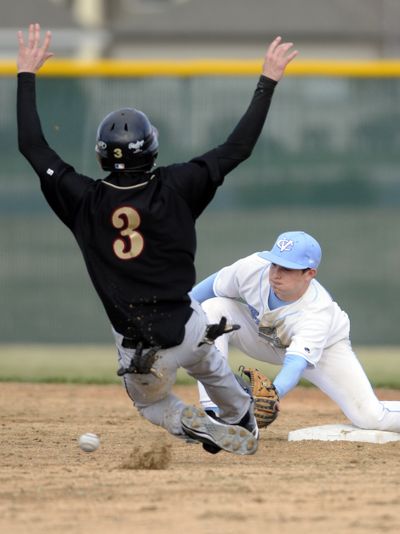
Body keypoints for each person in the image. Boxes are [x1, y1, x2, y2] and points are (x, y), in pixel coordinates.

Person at [16, 23, 298, 455]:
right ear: (151, 149)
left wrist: (26, 74)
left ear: (100, 154)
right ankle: (240, 413)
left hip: (141, 347)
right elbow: (237, 147)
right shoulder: (178, 186)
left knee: (150, 404)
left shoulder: (84, 200)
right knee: (208, 359)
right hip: (187, 326)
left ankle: (189, 422)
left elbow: (33, 147)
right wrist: (268, 80)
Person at [191, 230, 400, 432]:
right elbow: (208, 289)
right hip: (265, 336)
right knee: (212, 307)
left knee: (370, 416)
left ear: (309, 273)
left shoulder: (318, 310)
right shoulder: (253, 268)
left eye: (287, 269)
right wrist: (169, 314)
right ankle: (215, 412)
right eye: (274, 264)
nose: (275, 274)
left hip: (325, 351)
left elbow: (296, 362)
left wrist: (274, 393)